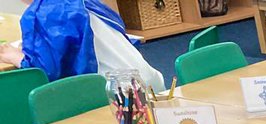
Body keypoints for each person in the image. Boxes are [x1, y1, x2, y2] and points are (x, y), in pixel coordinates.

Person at [0, 0, 165, 90]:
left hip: (118, 97)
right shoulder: (86, 3)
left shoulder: (40, 14)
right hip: (151, 81)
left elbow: (45, 71)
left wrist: (17, 56)